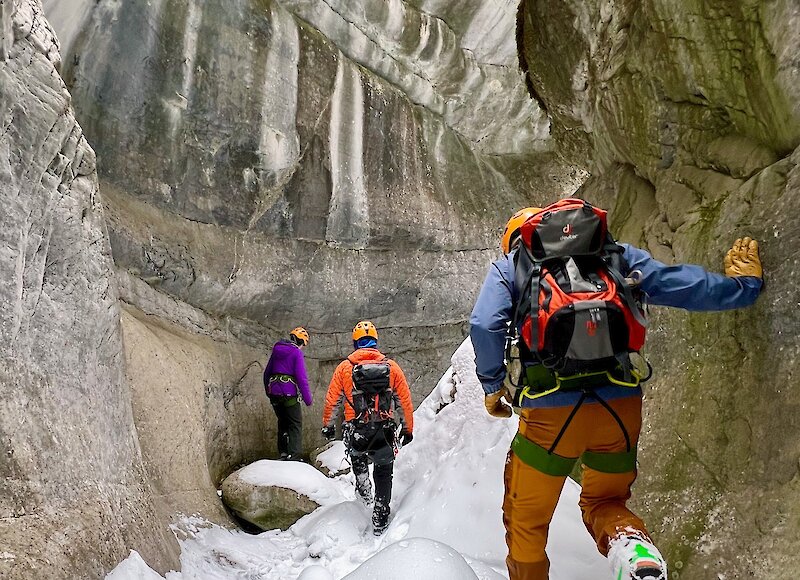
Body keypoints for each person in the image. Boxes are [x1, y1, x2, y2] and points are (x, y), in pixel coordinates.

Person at [470, 202, 763, 580]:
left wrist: (493, 388)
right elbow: (680, 284)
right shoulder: (613, 255)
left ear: (517, 240)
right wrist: (744, 287)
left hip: (551, 417)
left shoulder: (511, 266)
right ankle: (633, 550)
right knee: (605, 501)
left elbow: (484, 325)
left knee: (526, 521)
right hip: (620, 405)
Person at [321, 320, 414, 535]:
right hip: (384, 429)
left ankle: (364, 498)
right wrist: (407, 428)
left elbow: (332, 400)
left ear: (356, 343)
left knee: (359, 461)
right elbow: (404, 400)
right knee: (383, 471)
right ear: (375, 342)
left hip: (357, 429)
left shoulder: (344, 368)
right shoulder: (391, 368)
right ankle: (380, 517)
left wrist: (328, 426)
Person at [263, 327, 313, 460]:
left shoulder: (276, 350)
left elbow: (267, 373)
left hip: (274, 393)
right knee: (295, 424)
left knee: (282, 422)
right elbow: (302, 378)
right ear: (301, 341)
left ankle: (283, 452)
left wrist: (268, 392)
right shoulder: (296, 353)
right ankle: (294, 457)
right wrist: (308, 400)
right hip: (288, 393)